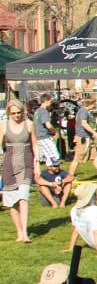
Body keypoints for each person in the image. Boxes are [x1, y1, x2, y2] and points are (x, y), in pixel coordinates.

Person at [2, 98, 36, 242]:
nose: (16, 115)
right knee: (12, 203)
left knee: (23, 198)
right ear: (9, 113)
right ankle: (19, 233)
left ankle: (25, 232)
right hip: (9, 166)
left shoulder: (29, 125)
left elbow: (35, 145)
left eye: (18, 113)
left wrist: (38, 162)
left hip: (26, 165)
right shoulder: (3, 126)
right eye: (13, 113)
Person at [68, 93, 97, 178]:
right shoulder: (83, 111)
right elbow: (83, 123)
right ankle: (70, 175)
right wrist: (94, 132)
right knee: (77, 158)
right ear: (91, 104)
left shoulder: (83, 111)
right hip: (83, 138)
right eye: (94, 104)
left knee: (95, 157)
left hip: (88, 137)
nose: (94, 106)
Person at [34, 94, 60, 166]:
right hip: (43, 136)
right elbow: (47, 125)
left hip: (38, 136)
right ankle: (54, 173)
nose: (51, 103)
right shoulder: (43, 111)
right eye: (50, 100)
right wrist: (54, 131)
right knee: (54, 155)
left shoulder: (37, 111)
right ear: (46, 101)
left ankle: (44, 174)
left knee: (42, 158)